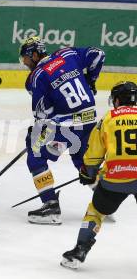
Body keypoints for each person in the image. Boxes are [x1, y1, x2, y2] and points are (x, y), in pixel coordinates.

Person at [19, 36, 105, 225]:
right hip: (89, 121)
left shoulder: (38, 75)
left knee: (35, 155)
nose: (26, 64)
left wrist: (36, 132)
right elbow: (98, 54)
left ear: (34, 54)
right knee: (83, 160)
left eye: (26, 58)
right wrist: (91, 80)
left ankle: (50, 205)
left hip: (67, 127)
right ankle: (104, 203)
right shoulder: (67, 54)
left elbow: (43, 114)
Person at [61, 81, 137, 269]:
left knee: (96, 211)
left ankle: (80, 250)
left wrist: (88, 173)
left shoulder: (107, 119)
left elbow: (93, 157)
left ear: (117, 100)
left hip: (115, 179)